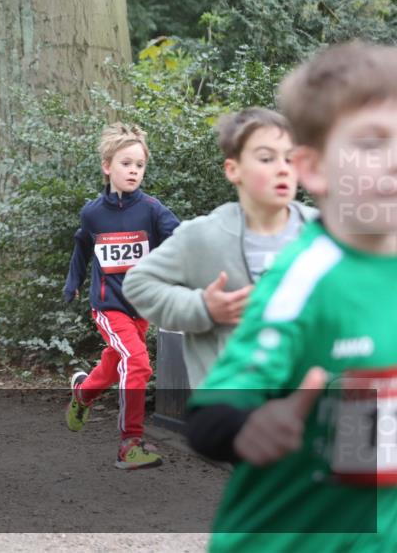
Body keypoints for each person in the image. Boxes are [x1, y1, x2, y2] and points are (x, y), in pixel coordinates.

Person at [186, 42, 397, 551]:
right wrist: (248, 427)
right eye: (371, 144)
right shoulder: (306, 279)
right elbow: (211, 414)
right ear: (314, 170)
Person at [123, 108, 318, 388]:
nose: (283, 168)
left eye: (290, 158)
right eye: (266, 158)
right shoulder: (202, 236)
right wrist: (202, 307)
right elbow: (138, 285)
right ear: (233, 169)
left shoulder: (325, 235)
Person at [63, 122, 180, 469]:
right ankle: (130, 444)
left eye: (139, 165)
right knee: (139, 362)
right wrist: (73, 283)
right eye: (126, 163)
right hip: (108, 305)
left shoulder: (152, 210)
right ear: (107, 166)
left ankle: (83, 394)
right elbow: (82, 246)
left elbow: (180, 239)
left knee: (117, 364)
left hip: (141, 306)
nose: (133, 171)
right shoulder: (93, 213)